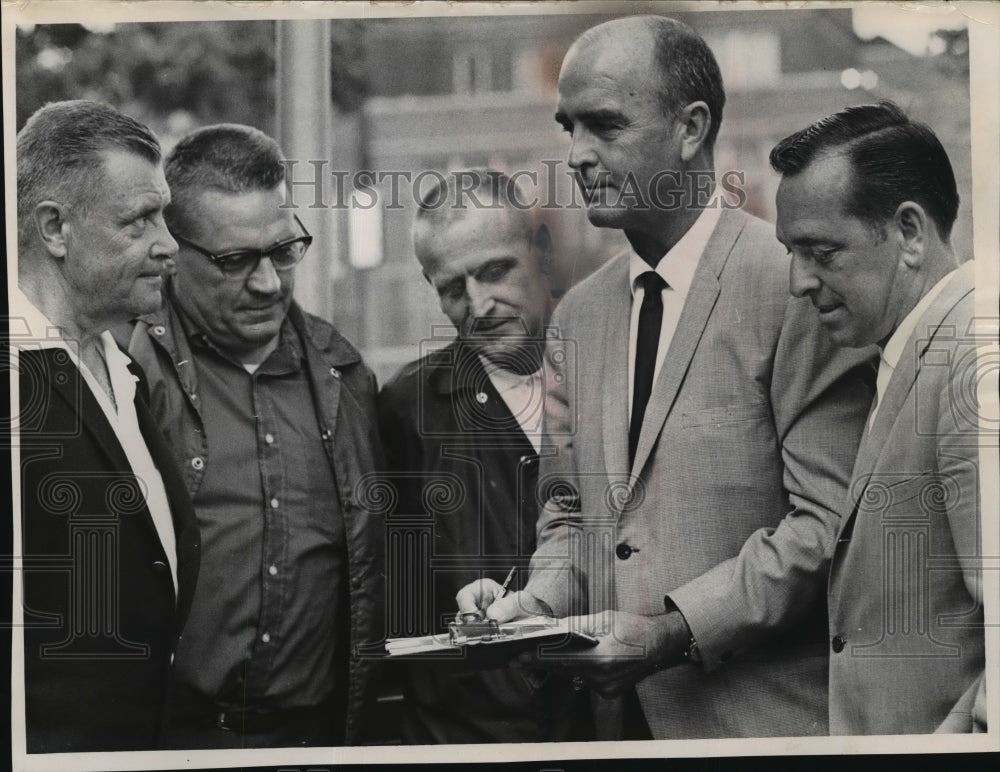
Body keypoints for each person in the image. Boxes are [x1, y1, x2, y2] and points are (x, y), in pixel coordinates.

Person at [457, 16, 876, 739]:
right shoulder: (579, 317)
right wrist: (533, 606)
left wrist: (670, 633)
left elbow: (827, 525)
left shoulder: (795, 289)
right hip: (615, 733)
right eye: (569, 129)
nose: (579, 155)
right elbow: (569, 521)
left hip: (760, 733)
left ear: (691, 129)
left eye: (605, 127)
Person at [124, 124, 383, 748]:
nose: (268, 282)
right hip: (177, 742)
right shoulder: (125, 373)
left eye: (284, 250)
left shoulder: (345, 373)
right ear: (171, 251)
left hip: (321, 739)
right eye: (235, 260)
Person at [771, 101, 986, 734]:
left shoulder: (970, 354)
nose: (797, 282)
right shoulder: (918, 347)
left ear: (911, 233)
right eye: (791, 252)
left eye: (822, 252)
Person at [377, 170, 590, 743]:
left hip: (616, 721)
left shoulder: (620, 364)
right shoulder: (406, 409)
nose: (478, 304)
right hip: (471, 738)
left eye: (495, 271)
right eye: (451, 288)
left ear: (541, 252)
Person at [14, 100, 200, 752]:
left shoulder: (122, 366)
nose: (168, 245)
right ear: (55, 228)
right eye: (140, 220)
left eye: (165, 216)